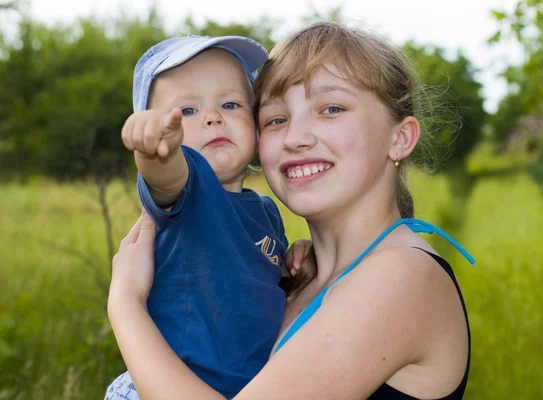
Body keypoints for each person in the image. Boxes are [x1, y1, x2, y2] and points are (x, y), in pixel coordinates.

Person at [108, 21, 476, 399]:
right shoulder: (294, 274)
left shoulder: (402, 275)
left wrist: (125, 304)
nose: (296, 138)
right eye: (276, 120)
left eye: (331, 108)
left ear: (399, 138)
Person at [105, 35, 309, 400]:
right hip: (169, 385)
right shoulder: (189, 191)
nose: (213, 118)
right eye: (185, 112)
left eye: (230, 104)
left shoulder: (265, 211)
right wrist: (155, 147)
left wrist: (294, 262)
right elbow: (164, 173)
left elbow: (256, 283)